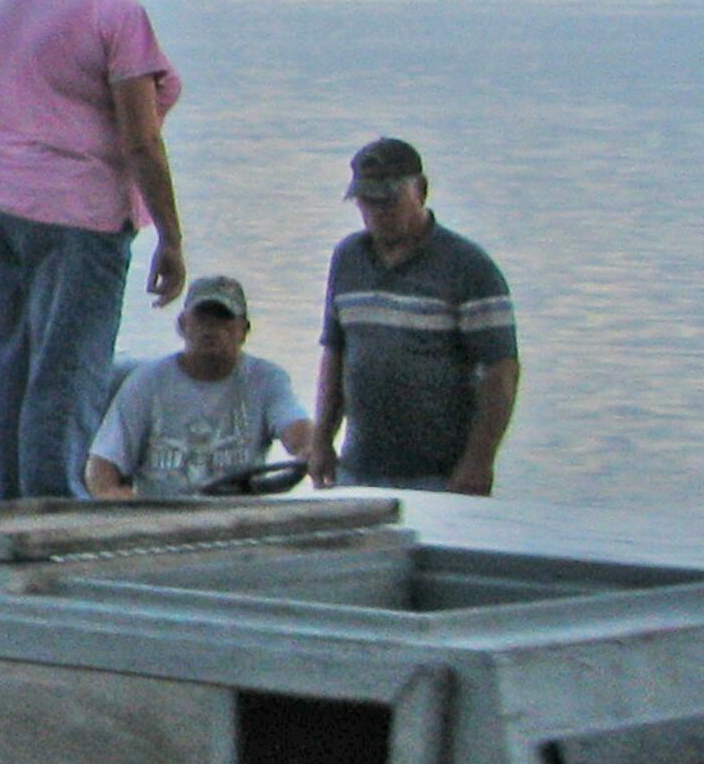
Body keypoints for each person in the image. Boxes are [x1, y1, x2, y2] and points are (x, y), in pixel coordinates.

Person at [0, 0, 190, 501]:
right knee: (68, 370)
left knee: (12, 361)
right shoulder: (116, 12)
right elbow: (141, 138)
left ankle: (9, 502)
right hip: (76, 211)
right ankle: (54, 507)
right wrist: (171, 238)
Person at [307, 139, 520, 495]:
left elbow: (502, 371)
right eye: (367, 202)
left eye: (388, 200)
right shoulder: (348, 259)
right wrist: (321, 441)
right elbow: (335, 353)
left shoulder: (469, 267)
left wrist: (478, 462)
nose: (377, 212)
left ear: (420, 191)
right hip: (359, 466)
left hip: (441, 473)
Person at [86, 275, 310, 498]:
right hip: (160, 516)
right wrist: (109, 492)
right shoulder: (146, 382)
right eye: (202, 319)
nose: (211, 329)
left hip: (239, 513)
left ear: (244, 330)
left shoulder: (267, 379)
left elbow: (295, 426)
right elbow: (103, 462)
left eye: (223, 320)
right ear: (183, 325)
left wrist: (308, 449)